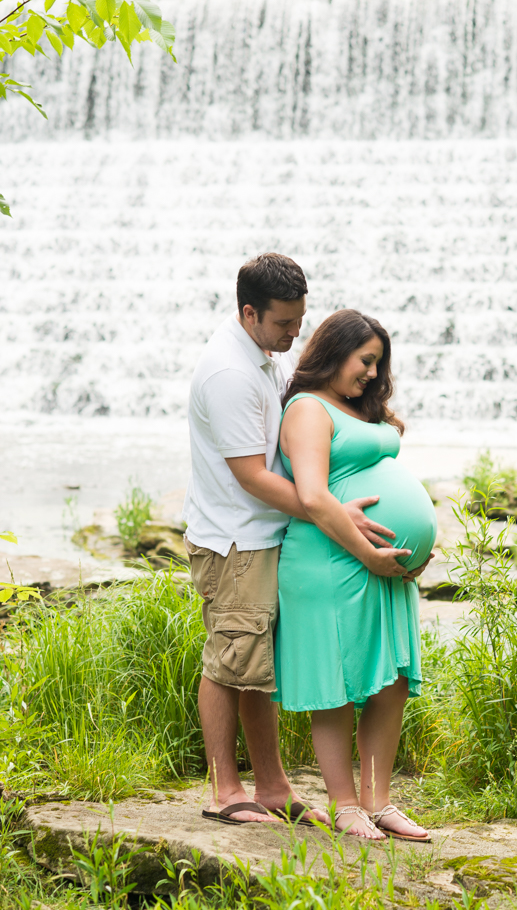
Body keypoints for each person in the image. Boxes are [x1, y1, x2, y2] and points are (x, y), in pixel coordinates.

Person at [183, 254, 402, 824]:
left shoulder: (261, 355)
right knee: (228, 661)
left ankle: (275, 787)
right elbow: (252, 476)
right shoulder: (230, 373)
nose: (295, 333)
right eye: (284, 323)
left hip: (266, 536)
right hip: (236, 541)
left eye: (300, 320)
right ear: (249, 312)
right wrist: (327, 511)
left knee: (257, 665)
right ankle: (226, 793)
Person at [274, 309, 437, 842]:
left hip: (380, 566)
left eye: (378, 364)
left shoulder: (354, 410)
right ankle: (346, 806)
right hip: (330, 561)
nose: (372, 373)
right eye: (366, 360)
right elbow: (313, 496)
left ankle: (378, 801)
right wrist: (371, 556)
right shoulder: (307, 409)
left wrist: (407, 553)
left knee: (390, 682)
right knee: (337, 685)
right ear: (335, 351)